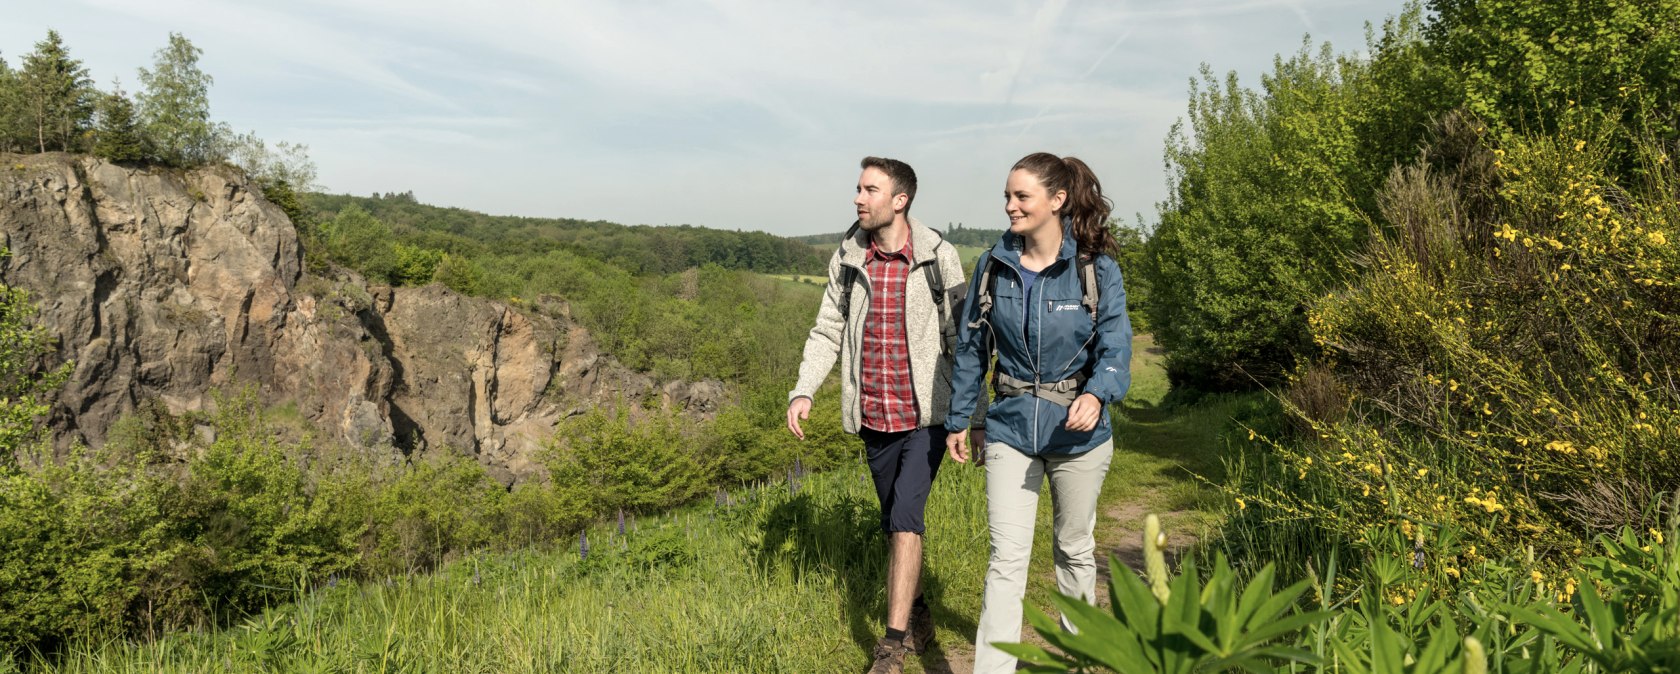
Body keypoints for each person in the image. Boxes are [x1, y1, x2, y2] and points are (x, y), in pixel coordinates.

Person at [943, 152, 1133, 674]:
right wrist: (965, 419)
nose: (1010, 206)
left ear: (1057, 200)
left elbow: (1116, 350)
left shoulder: (1097, 271)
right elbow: (970, 350)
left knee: (1073, 551)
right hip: (1009, 430)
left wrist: (1096, 395)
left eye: (1021, 196)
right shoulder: (992, 266)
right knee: (1006, 559)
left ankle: (1080, 660)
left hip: (1079, 436)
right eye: (1007, 196)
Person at [787, 156, 970, 674]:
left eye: (870, 189)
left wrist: (972, 416)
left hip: (925, 418)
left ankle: (890, 647)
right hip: (873, 417)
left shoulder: (939, 256)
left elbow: (965, 341)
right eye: (858, 188)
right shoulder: (848, 259)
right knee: (893, 524)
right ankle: (918, 612)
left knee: (907, 521)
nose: (858, 198)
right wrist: (805, 390)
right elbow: (827, 329)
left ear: (900, 199)